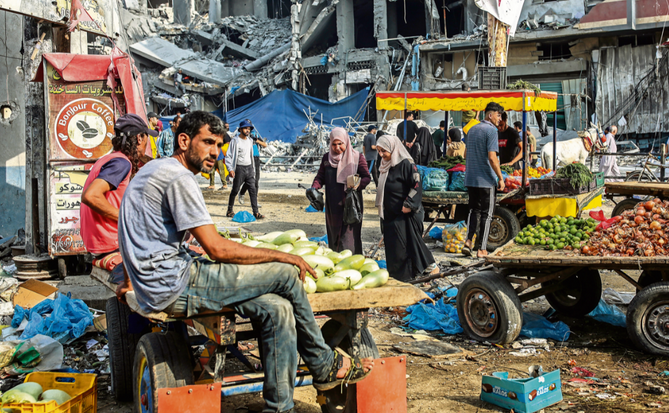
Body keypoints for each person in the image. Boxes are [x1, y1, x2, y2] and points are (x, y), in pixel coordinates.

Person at [115, 111, 374, 413]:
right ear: (183, 141)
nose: (215, 152)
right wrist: (282, 256)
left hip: (161, 279)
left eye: (219, 144)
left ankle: (280, 408)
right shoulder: (178, 177)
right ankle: (324, 364)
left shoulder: (156, 169)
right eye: (208, 143)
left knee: (277, 309)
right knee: (287, 275)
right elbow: (217, 249)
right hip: (176, 283)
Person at [80, 113, 157, 263]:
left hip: (97, 241)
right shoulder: (122, 163)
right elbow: (91, 196)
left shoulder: (108, 158)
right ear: (140, 138)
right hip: (110, 242)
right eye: (147, 138)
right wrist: (125, 217)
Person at [375, 135, 437, 280]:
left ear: (392, 148)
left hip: (404, 215)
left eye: (384, 151)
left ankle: (407, 277)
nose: (381, 155)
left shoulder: (406, 164)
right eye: (378, 151)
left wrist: (409, 204)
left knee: (403, 247)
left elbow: (416, 185)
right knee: (393, 248)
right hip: (390, 215)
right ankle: (397, 277)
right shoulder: (386, 165)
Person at [310, 128, 371, 255]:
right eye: (334, 144)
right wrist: (314, 188)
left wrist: (357, 184)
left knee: (349, 239)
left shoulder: (357, 157)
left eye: (340, 144)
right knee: (334, 236)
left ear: (346, 142)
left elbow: (366, 177)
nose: (337, 148)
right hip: (333, 206)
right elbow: (320, 177)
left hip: (351, 205)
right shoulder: (327, 158)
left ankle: (352, 265)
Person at [463, 102, 506, 258]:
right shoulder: (491, 131)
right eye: (498, 115)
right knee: (487, 214)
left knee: (473, 210)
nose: (499, 119)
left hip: (470, 178)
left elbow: (465, 155)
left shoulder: (472, 129)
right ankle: (481, 249)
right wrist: (500, 178)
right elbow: (492, 158)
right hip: (486, 180)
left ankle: (468, 241)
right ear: (490, 115)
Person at [226, 120, 264, 220]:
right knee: (235, 190)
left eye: (249, 129)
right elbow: (228, 156)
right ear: (240, 129)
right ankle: (229, 210)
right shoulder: (235, 141)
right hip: (239, 168)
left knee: (253, 190)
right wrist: (230, 169)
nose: (247, 130)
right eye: (245, 128)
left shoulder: (250, 141)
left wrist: (253, 169)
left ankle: (256, 213)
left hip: (250, 168)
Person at [238, 130, 268, 206]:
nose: (247, 130)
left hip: (256, 157)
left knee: (256, 180)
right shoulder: (241, 135)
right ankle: (242, 192)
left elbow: (265, 145)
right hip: (247, 157)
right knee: (248, 178)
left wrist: (256, 140)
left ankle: (255, 201)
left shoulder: (255, 134)